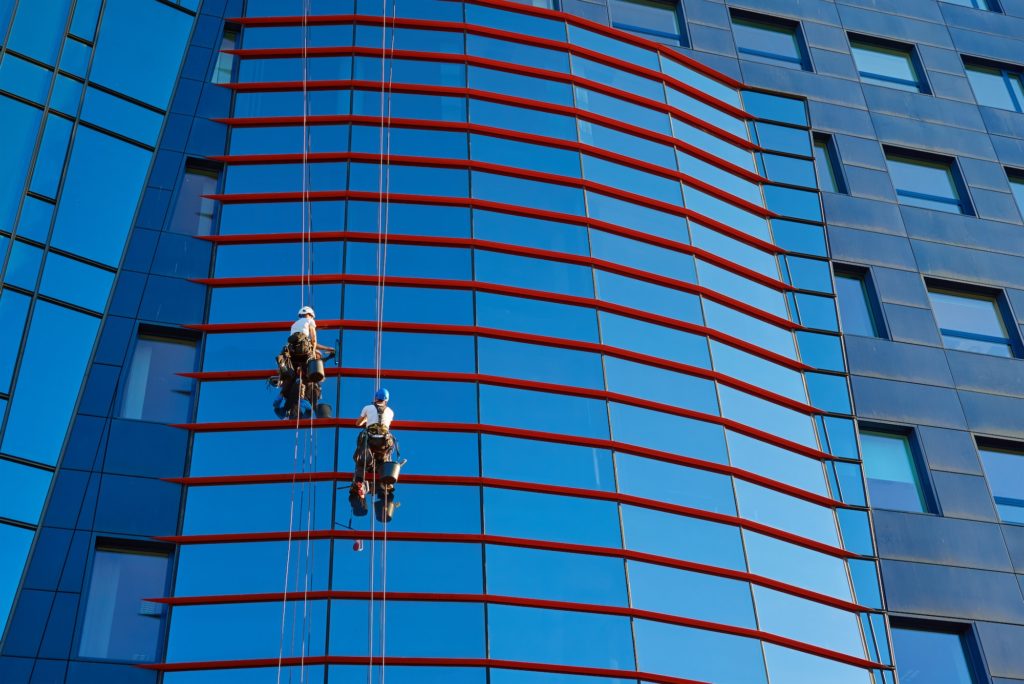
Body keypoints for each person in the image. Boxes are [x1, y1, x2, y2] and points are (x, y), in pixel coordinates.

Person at [273, 306, 334, 417]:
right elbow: (313, 340)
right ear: (311, 315)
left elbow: (303, 341)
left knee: (293, 375)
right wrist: (315, 352)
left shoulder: (294, 325)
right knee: (307, 374)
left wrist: (327, 349)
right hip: (305, 353)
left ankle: (280, 398)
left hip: (292, 353)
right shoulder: (310, 321)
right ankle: (303, 402)